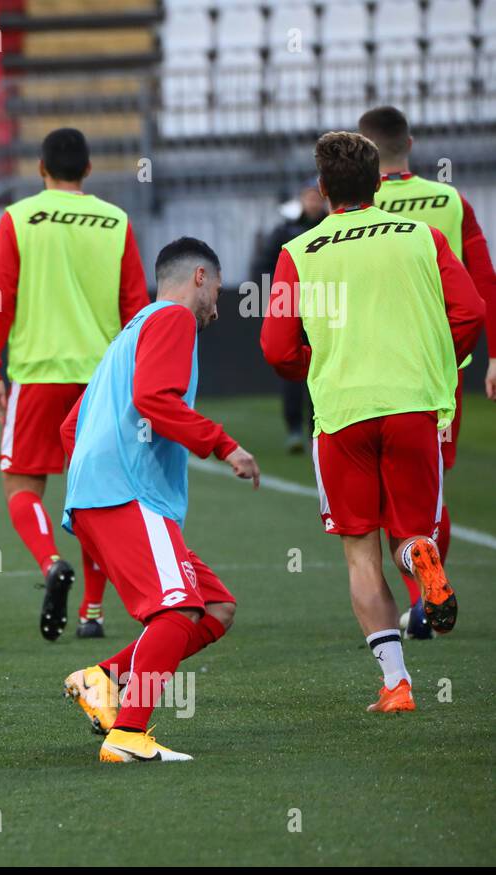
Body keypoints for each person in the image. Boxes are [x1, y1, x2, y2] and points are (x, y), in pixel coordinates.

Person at [261, 131, 484, 713]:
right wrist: (437, 357)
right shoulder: (423, 238)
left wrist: (321, 362)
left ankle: (396, 685)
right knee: (411, 531)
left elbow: (277, 348)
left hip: (342, 414)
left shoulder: (299, 252)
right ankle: (421, 561)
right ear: (378, 182)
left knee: (360, 553)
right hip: (412, 404)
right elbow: (471, 312)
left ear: (323, 188)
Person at [60, 238, 259, 762]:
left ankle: (102, 678)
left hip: (102, 496)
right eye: (217, 288)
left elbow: (69, 427)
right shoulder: (174, 320)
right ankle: (127, 734)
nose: (218, 302)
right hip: (128, 494)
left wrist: (90, 481)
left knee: (215, 607)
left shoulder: (128, 334)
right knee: (176, 611)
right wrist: (223, 444)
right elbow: (153, 400)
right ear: (199, 278)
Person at [0, 127, 149, 641]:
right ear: (89, 170)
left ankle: (51, 562)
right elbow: (136, 307)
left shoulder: (19, 217)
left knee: (22, 484)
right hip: (101, 379)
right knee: (97, 496)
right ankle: (92, 614)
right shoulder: (116, 220)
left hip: (38, 374)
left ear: (40, 169)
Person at [357, 105, 496, 638]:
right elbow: (483, 283)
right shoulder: (449, 201)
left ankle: (414, 599)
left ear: (360, 152)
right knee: (430, 488)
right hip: (440, 372)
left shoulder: (355, 206)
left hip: (368, 371)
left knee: (383, 499)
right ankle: (423, 600)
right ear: (409, 143)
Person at [248, 182, 327, 452]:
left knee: (323, 368)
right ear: (301, 200)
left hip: (326, 309)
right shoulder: (285, 230)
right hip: (295, 310)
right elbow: (262, 266)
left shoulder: (331, 227)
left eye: (316, 198)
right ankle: (294, 429)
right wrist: (279, 294)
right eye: (308, 198)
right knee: (294, 369)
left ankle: (318, 426)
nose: (313, 203)